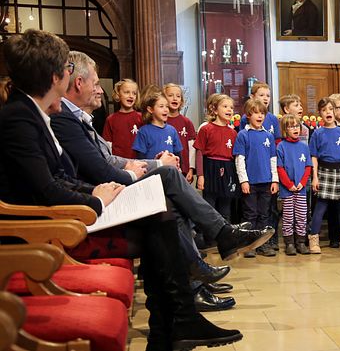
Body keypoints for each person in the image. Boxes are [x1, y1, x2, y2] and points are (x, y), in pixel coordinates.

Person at [0, 29, 244, 350]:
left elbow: (59, 178)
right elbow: (48, 190)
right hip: (51, 230)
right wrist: (96, 198)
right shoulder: (20, 118)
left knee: (161, 217)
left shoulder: (30, 113)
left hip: (67, 215)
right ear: (57, 75)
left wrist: (100, 190)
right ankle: (175, 325)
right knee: (159, 223)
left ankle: (175, 326)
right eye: (67, 70)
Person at [308, 97, 340, 254]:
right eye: (324, 110)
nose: (328, 112)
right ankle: (314, 240)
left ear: (335, 111)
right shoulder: (317, 133)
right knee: (321, 207)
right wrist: (315, 177)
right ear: (320, 113)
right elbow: (314, 157)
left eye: (330, 109)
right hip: (324, 172)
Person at [233, 98, 279, 258]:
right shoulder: (243, 135)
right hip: (250, 182)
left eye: (262, 113)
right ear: (248, 115)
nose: (259, 116)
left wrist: (275, 180)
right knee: (250, 214)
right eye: (255, 113)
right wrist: (243, 180)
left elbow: (273, 159)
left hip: (266, 182)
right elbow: (240, 160)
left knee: (264, 214)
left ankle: (262, 244)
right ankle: (248, 245)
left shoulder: (268, 136)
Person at [194, 94, 239, 223]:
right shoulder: (206, 129)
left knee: (225, 205)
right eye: (225, 106)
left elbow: (235, 157)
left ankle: (225, 235)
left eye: (231, 107)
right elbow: (199, 152)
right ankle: (209, 237)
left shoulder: (233, 132)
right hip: (210, 167)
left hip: (228, 169)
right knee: (210, 204)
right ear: (214, 110)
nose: (229, 110)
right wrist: (201, 175)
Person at [276, 114, 312, 255]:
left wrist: (302, 183)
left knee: (302, 216)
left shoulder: (304, 147)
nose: (295, 129)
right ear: (285, 130)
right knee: (288, 217)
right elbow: (280, 168)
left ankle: (301, 242)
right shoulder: (281, 146)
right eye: (291, 127)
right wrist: (289, 184)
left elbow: (308, 166)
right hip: (287, 190)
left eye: (297, 126)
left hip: (301, 189)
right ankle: (289, 243)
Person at [133, 91, 183, 161]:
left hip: (171, 170)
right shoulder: (143, 131)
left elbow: (178, 154)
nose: (165, 110)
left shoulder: (172, 130)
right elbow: (140, 157)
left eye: (167, 106)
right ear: (150, 109)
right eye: (161, 106)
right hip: (152, 170)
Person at [164, 83, 196, 180]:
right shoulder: (161, 121)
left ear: (181, 100)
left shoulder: (187, 122)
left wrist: (191, 169)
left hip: (183, 168)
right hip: (165, 167)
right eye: (170, 95)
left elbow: (192, 147)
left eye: (178, 96)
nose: (175, 98)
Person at [103, 78, 142, 159]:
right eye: (127, 92)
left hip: (139, 162)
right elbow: (107, 145)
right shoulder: (111, 119)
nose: (131, 96)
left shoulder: (141, 118)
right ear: (118, 94)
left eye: (134, 93)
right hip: (119, 164)